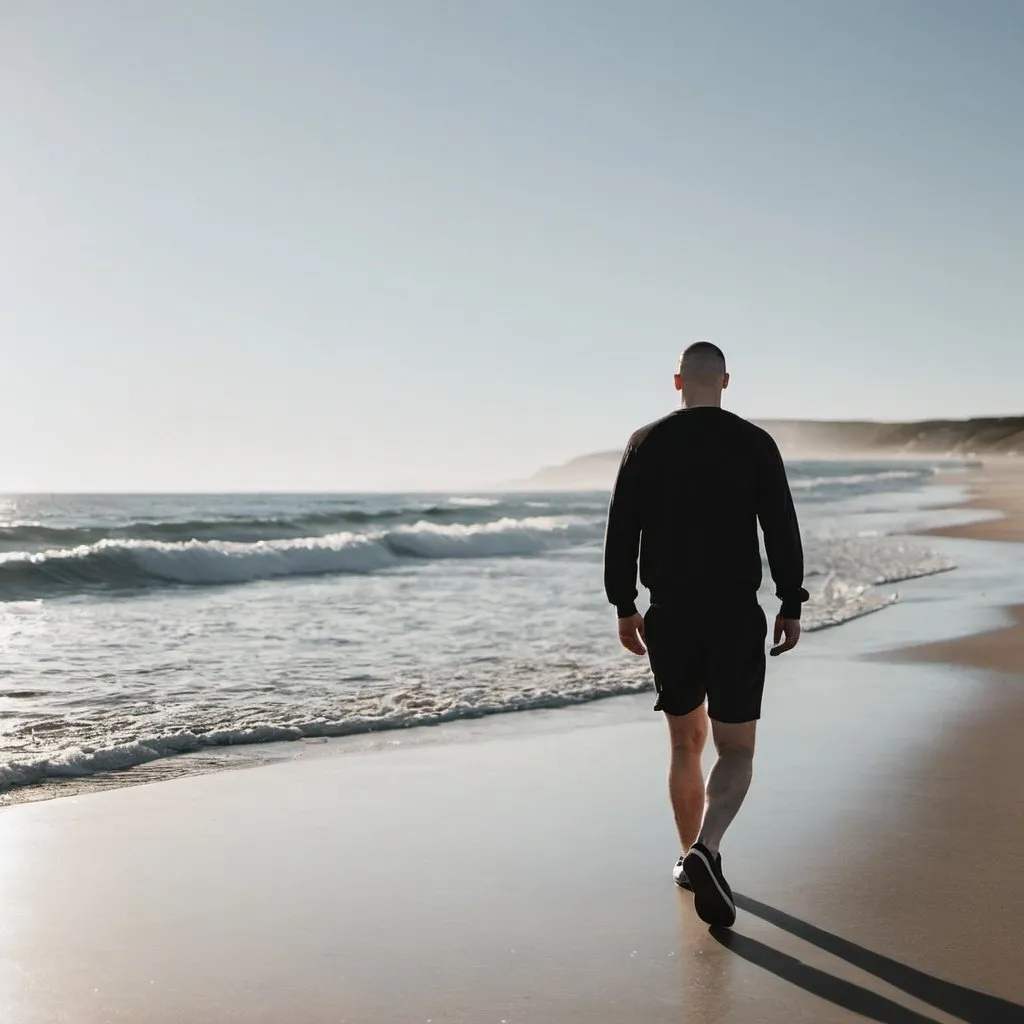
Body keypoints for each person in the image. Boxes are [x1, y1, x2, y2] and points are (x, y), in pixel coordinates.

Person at [603, 341, 808, 928]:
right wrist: (791, 601)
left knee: (683, 743)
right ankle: (707, 848)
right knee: (736, 748)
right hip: (734, 614)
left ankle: (687, 855)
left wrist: (624, 604)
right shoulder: (754, 443)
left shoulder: (644, 443)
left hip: (670, 615)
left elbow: (622, 532)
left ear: (677, 382)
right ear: (725, 381)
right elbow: (780, 528)